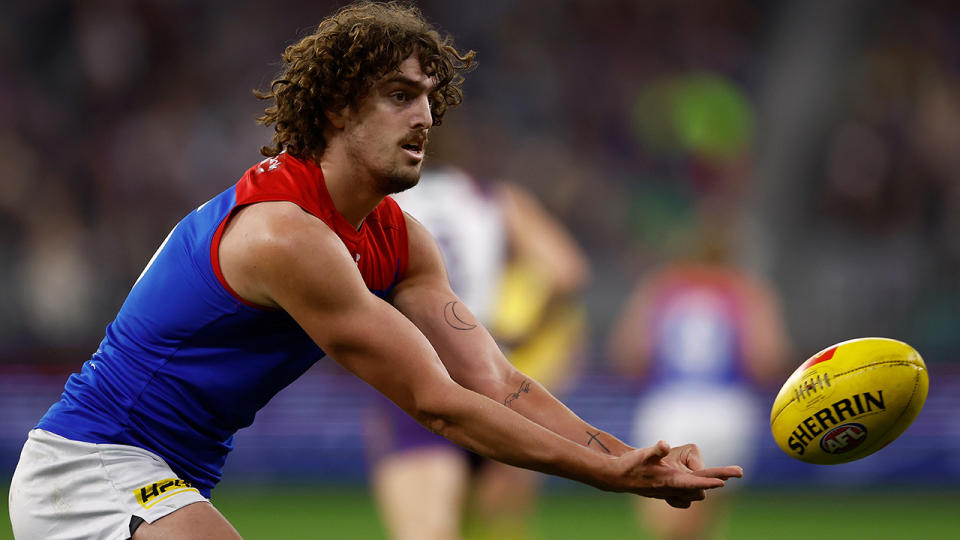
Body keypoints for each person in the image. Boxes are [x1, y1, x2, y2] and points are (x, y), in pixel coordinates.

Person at [8, 2, 742, 539]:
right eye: (398, 96)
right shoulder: (284, 235)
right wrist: (610, 476)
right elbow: (438, 405)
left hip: (165, 476)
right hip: (90, 469)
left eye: (429, 97)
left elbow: (498, 382)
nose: (424, 117)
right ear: (333, 111)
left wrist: (631, 457)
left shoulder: (402, 241)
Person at [369, 166, 590, 540]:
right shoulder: (495, 198)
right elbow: (567, 271)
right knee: (498, 527)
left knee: (425, 530)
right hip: (484, 371)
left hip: (416, 366)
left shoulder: (379, 200)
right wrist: (522, 335)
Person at [608, 215, 789, 540]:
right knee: (705, 519)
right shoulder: (747, 290)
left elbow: (629, 355)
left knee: (662, 518)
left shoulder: (661, 287)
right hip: (728, 408)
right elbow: (767, 359)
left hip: (672, 404)